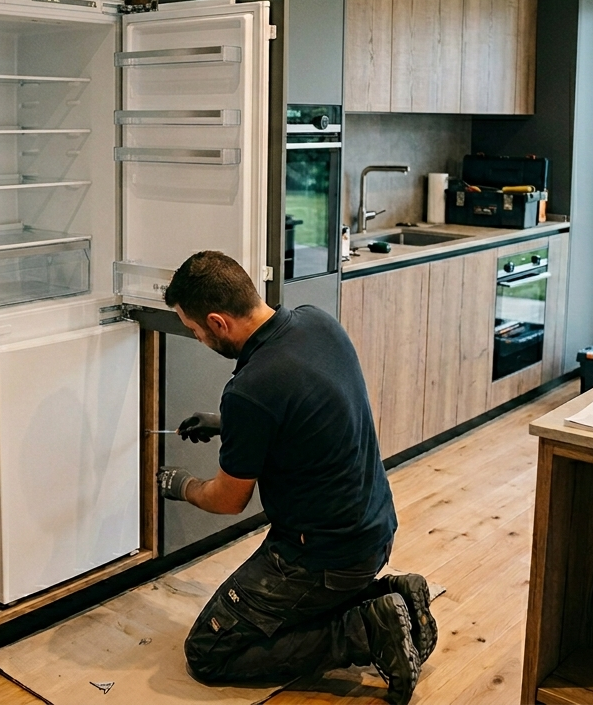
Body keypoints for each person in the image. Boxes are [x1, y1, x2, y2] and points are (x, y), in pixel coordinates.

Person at [156, 251, 437, 704]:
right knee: (282, 617)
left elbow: (229, 500)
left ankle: (364, 631)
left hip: (323, 556)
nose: (198, 339)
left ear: (218, 321)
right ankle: (392, 595)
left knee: (209, 652)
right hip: (374, 528)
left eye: (194, 331)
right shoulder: (315, 322)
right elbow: (306, 411)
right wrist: (227, 425)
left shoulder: (250, 390)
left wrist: (182, 485)